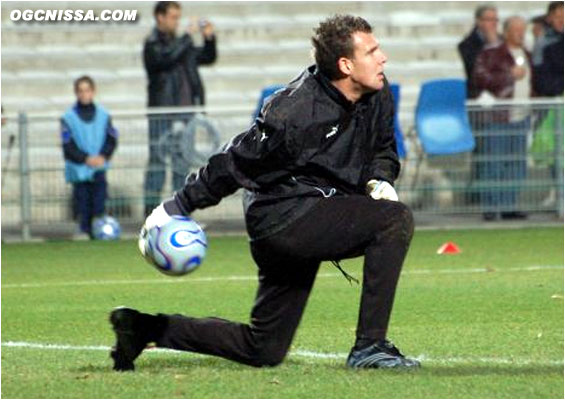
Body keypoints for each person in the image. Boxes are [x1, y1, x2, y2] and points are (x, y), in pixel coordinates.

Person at [109, 15, 420, 371]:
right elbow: (235, 162)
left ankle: (145, 327)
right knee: (394, 221)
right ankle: (370, 346)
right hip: (282, 217)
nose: (383, 58)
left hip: (319, 210)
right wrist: (178, 205)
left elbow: (383, 147)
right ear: (346, 65)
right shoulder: (296, 111)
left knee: (264, 349)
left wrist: (379, 181)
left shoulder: (376, 93)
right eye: (373, 51)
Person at [143, 1, 217, 216]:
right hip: (162, 113)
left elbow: (207, 57)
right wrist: (186, 37)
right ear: (160, 17)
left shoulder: (180, 44)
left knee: (182, 163)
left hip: (186, 113)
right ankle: (151, 215)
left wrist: (209, 38)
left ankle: (179, 213)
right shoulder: (152, 43)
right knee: (158, 162)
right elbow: (165, 58)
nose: (177, 21)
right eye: (173, 17)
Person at [473, 16, 533, 221]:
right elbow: (480, 78)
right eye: (517, 30)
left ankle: (509, 205)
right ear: (506, 31)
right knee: (494, 163)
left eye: (523, 30)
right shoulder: (491, 54)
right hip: (498, 118)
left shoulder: (527, 54)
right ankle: (491, 206)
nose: (521, 34)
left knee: (517, 164)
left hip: (521, 117)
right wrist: (510, 75)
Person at [61, 76, 118, 238]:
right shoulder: (68, 118)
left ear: (93, 92)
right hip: (79, 170)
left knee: (99, 203)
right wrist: (85, 158)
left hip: (99, 167)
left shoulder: (104, 115)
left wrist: (103, 156)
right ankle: (84, 230)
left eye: (87, 90)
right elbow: (68, 144)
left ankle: (99, 232)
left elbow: (111, 138)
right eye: (80, 91)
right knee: (83, 203)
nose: (84, 94)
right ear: (76, 93)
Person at [458, 4, 501, 99]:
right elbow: (474, 68)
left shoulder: (502, 40)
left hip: (502, 94)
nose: (494, 23)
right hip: (479, 96)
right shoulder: (467, 44)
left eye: (495, 19)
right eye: (489, 19)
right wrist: (492, 46)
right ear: (479, 21)